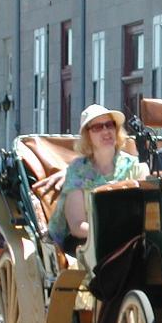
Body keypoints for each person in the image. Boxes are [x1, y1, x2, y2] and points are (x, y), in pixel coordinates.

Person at [49, 103, 149, 252]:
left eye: (109, 125)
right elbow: (77, 225)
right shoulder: (77, 171)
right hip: (88, 244)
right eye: (97, 127)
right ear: (87, 136)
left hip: (131, 243)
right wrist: (110, 233)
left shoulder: (137, 167)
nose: (106, 131)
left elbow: (146, 213)